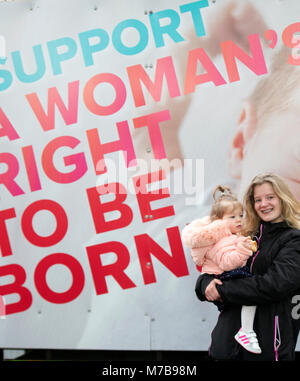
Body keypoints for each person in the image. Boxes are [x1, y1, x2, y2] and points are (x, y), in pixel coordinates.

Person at [195, 173, 300, 361]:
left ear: (282, 198)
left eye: (270, 197)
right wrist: (206, 284)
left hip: (269, 347)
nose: (263, 204)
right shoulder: (245, 236)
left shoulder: (294, 239)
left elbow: (275, 284)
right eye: (257, 199)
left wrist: (223, 290)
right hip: (226, 346)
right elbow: (212, 266)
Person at [182, 185, 261, 354]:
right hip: (228, 277)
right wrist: (243, 250)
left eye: (241, 215)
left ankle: (246, 331)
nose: (239, 220)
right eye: (232, 217)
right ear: (219, 220)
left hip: (227, 280)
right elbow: (226, 263)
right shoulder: (222, 240)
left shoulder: (232, 236)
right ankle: (246, 331)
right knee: (251, 297)